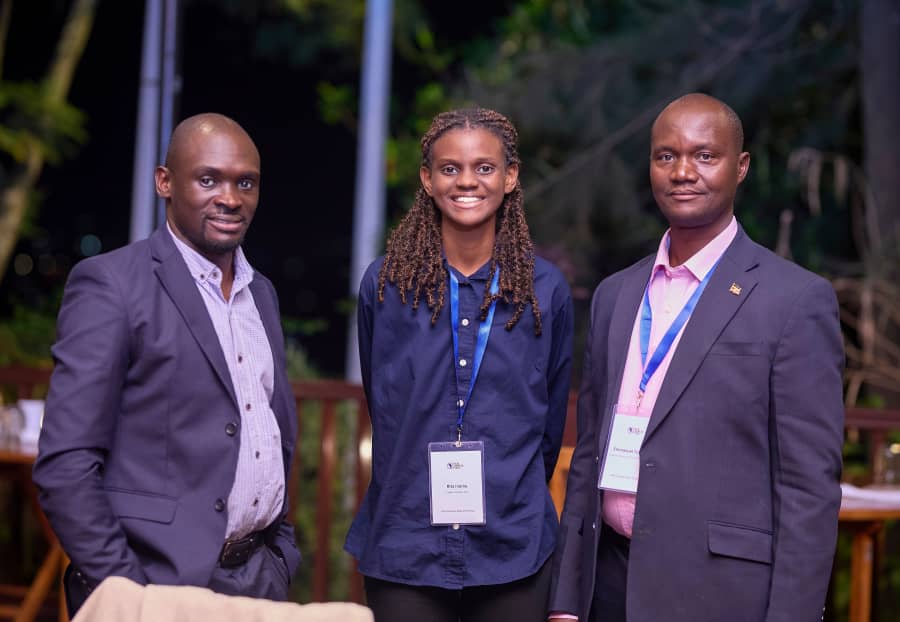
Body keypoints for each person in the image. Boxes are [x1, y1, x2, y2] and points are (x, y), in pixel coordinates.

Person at [548, 93, 844, 622]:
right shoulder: (616, 294)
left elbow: (809, 488)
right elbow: (590, 454)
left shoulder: (795, 299)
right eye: (666, 156)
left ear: (741, 166)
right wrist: (567, 600)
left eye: (705, 156)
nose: (683, 172)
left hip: (719, 593)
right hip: (608, 585)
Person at [32, 113, 301, 616]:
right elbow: (66, 464)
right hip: (153, 585)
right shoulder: (112, 284)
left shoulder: (260, 293)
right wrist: (129, 592)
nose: (230, 198)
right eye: (208, 180)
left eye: (245, 183)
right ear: (164, 182)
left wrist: (280, 554)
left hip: (259, 579)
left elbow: (267, 429)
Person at [345, 107, 574, 622]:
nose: (467, 181)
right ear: (428, 180)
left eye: (484, 167)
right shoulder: (385, 287)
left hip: (514, 547)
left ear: (510, 177)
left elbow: (549, 427)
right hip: (406, 543)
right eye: (450, 168)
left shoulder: (545, 292)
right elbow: (384, 409)